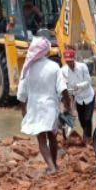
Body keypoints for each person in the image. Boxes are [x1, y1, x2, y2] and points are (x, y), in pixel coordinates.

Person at [16, 36, 72, 175]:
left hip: (35, 107)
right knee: (52, 137)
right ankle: (54, 165)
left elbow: (22, 92)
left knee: (41, 139)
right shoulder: (53, 66)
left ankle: (51, 167)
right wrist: (67, 105)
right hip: (51, 106)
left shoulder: (28, 67)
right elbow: (63, 88)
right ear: (46, 51)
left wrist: (23, 109)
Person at [61, 49, 95, 145]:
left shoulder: (82, 67)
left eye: (70, 60)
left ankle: (87, 138)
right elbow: (62, 84)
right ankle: (86, 132)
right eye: (67, 61)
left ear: (74, 59)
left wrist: (78, 86)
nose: (69, 63)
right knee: (81, 119)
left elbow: (88, 82)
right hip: (78, 99)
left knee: (88, 118)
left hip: (89, 97)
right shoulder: (63, 70)